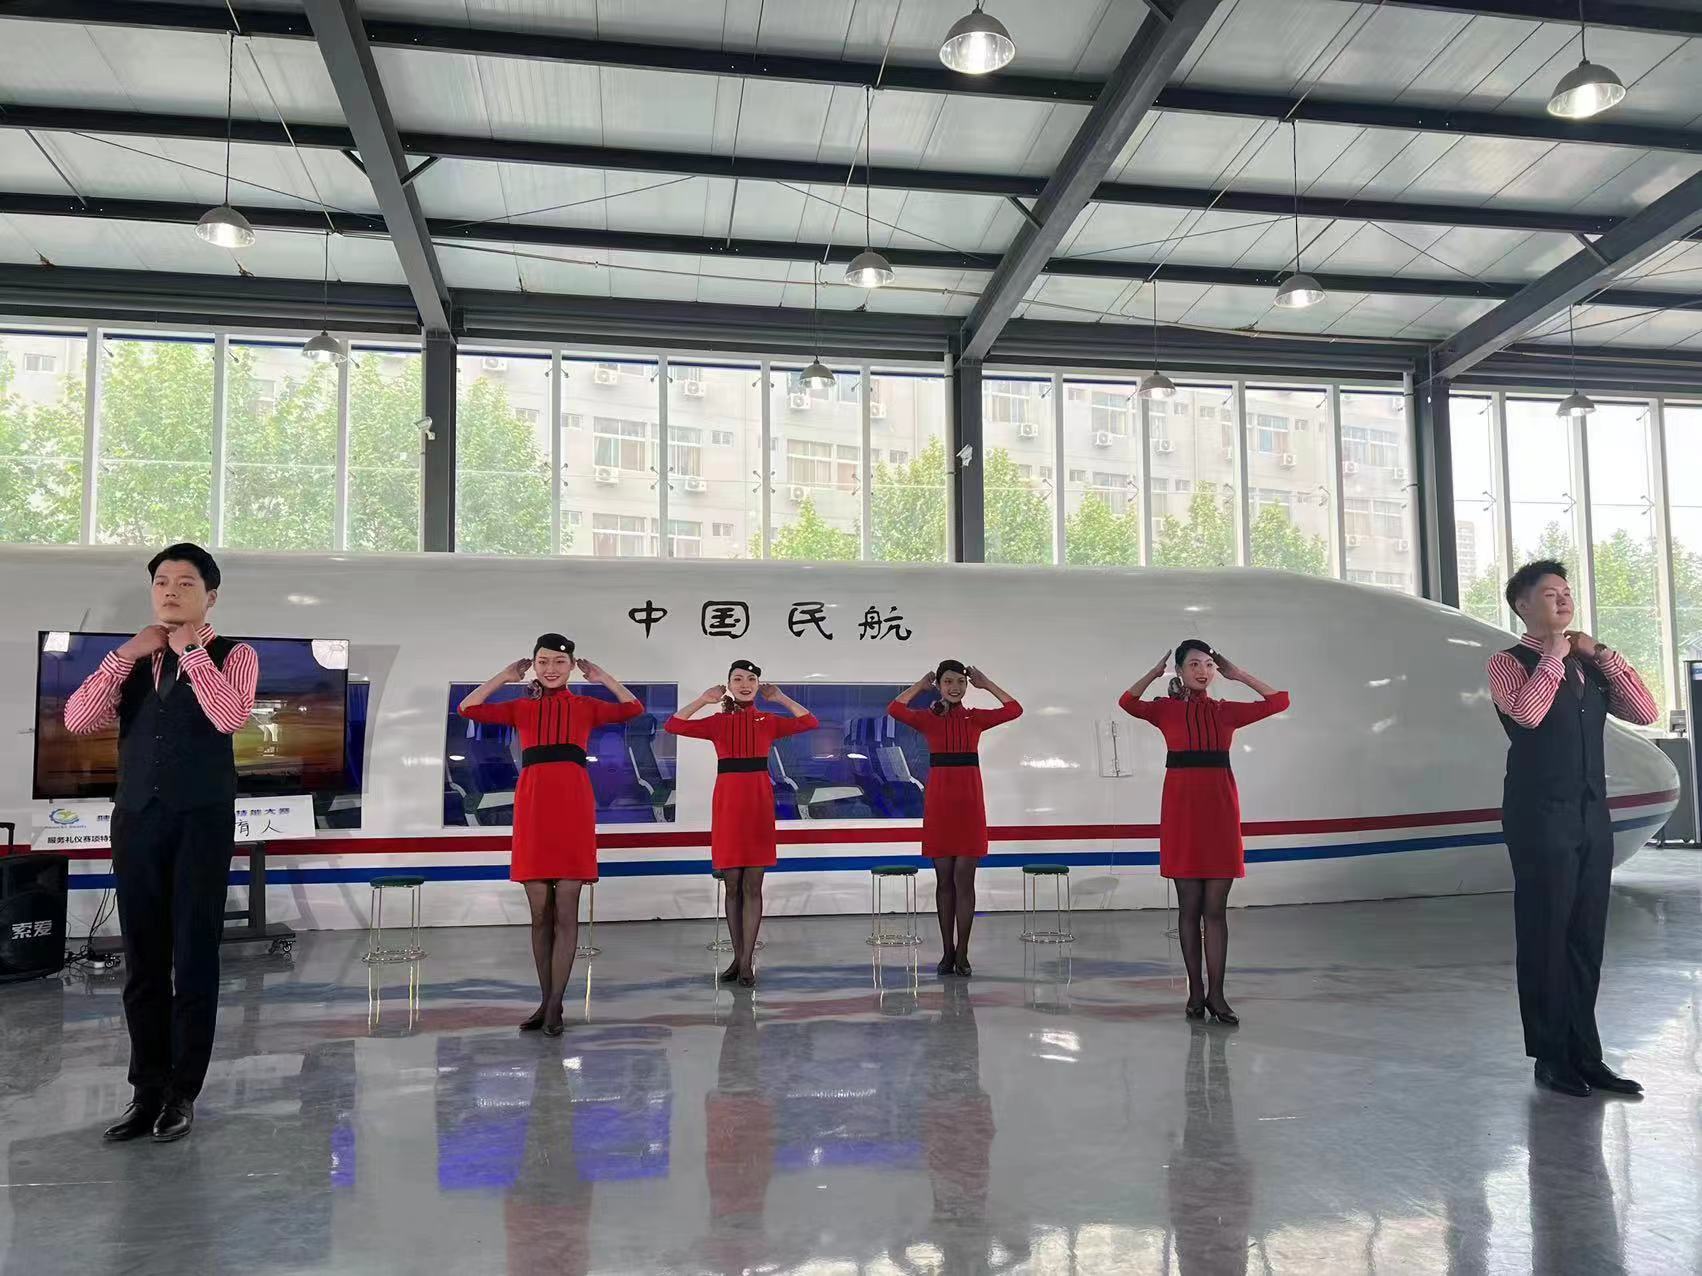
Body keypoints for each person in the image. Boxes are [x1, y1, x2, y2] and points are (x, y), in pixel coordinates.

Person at [64, 543, 260, 1143]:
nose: (170, 591)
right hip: (138, 819)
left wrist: (191, 654)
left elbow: (229, 717)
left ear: (210, 596)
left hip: (201, 819)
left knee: (194, 957)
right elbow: (78, 720)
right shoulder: (132, 659)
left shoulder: (236, 654)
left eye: (185, 582)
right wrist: (125, 654)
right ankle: (145, 1090)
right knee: (143, 959)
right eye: (161, 582)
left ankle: (182, 1092)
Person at [1489, 560, 1658, 1098]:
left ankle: (1586, 1053)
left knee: (1586, 936)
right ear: (1522, 606)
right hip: (1539, 814)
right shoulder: (1507, 663)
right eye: (1550, 594)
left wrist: (1600, 654)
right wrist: (1554, 657)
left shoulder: (1590, 665)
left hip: (1590, 813)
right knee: (1546, 931)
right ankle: (1550, 1055)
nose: (1563, 600)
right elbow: (1528, 715)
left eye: (1566, 592)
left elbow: (1646, 711)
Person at [459, 635, 643, 1036]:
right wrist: (505, 676)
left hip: (573, 808)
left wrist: (602, 677)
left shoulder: (586, 706)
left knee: (566, 912)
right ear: (534, 664)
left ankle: (556, 1004)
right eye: (543, 661)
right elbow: (467, 708)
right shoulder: (520, 707)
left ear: (572, 665)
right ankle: (545, 1002)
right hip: (533, 809)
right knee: (540, 914)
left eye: (560, 661)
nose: (551, 668)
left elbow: (634, 708)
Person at [1120, 641, 1288, 1024]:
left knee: (1215, 910)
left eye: (1209, 665)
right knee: (1189, 908)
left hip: (1220, 815)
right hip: (1181, 814)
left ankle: (1217, 995)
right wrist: (1154, 673)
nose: (1203, 671)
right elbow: (1127, 702)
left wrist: (1238, 674)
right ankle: (1195, 992)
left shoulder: (1225, 711)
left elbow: (1279, 702)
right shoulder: (1165, 710)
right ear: (1180, 671)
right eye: (1194, 664)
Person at [665, 660, 818, 988]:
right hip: (728, 804)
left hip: (758, 803)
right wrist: (703, 700)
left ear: (758, 685)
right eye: (738, 679)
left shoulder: (768, 721)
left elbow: (809, 721)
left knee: (753, 885)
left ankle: (746, 961)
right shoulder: (717, 722)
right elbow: (673, 725)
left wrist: (780, 698)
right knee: (732, 884)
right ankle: (737, 957)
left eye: (751, 679)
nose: (745, 684)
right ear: (729, 684)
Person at [888, 661, 1022, 976]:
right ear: (939, 685)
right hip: (939, 806)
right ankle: (947, 952)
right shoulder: (928, 719)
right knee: (944, 881)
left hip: (969, 807)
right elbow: (894, 709)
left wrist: (986, 683)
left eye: (960, 682)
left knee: (964, 880)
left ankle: (963, 952)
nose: (955, 687)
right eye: (948, 681)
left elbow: (1014, 709)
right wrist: (920, 685)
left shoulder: (975, 718)